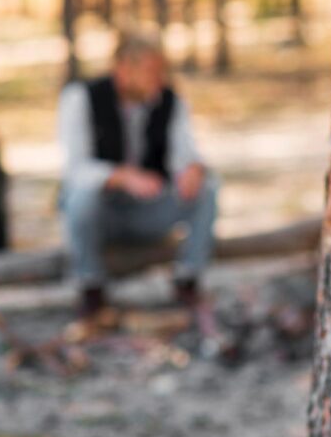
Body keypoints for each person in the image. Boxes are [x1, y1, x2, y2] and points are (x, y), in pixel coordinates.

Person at [58, 31, 218, 318]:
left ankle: (187, 279)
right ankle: (90, 287)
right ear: (122, 68)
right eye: (150, 72)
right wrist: (123, 177)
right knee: (80, 195)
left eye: (161, 72)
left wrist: (193, 169)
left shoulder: (170, 102)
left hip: (147, 210)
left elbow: (186, 154)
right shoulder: (80, 98)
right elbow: (76, 170)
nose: (159, 79)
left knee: (209, 186)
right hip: (101, 214)